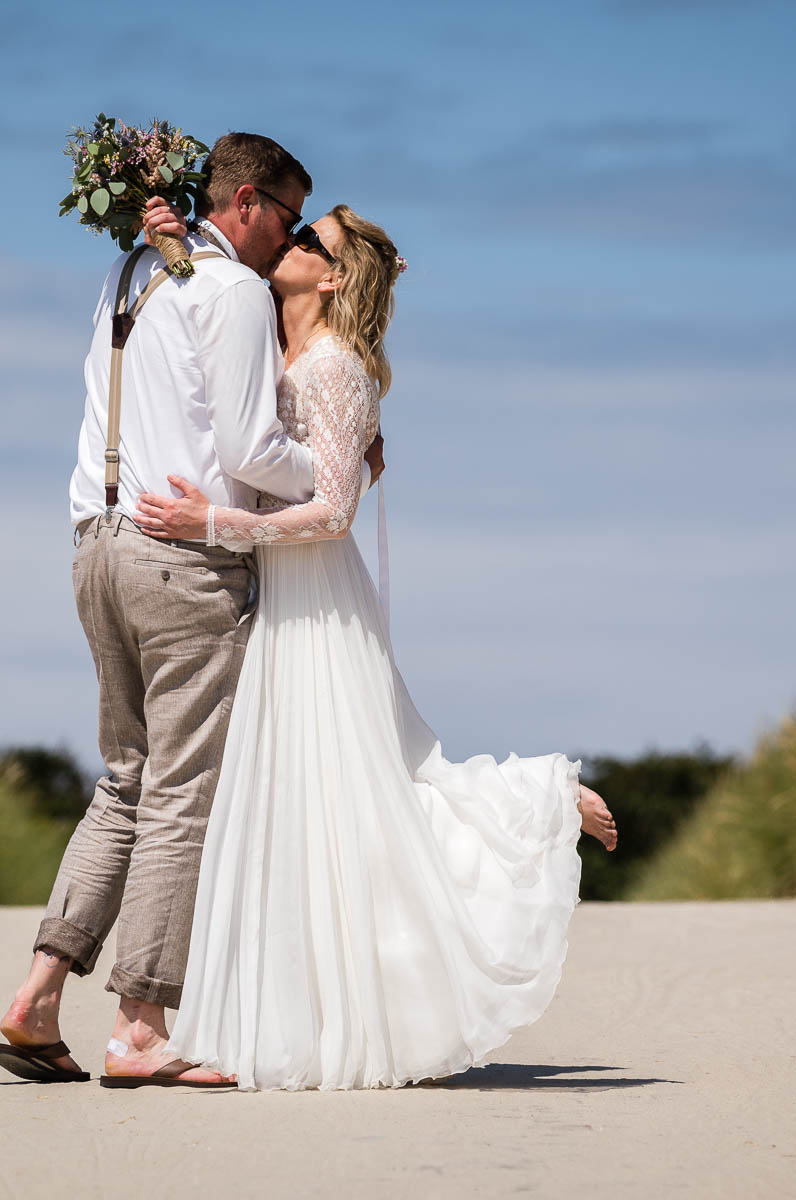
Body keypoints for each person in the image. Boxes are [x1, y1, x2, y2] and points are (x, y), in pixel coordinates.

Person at [131, 204, 618, 1090]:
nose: (290, 245)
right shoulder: (278, 352)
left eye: (309, 241)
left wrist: (216, 522)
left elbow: (334, 512)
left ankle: (541, 800)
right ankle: (261, 1031)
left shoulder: (335, 368)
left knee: (351, 795)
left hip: (317, 601)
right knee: (297, 801)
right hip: (281, 596)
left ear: (334, 277)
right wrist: (169, 231)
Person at [0, 132, 381, 1087]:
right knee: (178, 792)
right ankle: (141, 1027)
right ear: (244, 201)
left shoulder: (132, 273)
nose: (284, 241)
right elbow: (249, 448)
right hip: (180, 561)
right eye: (284, 217)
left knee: (122, 779)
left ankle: (38, 996)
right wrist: (334, 460)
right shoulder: (234, 290)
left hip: (94, 544)